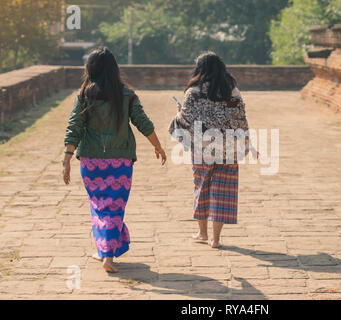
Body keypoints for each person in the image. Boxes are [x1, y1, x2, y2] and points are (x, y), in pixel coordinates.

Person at [63, 47, 166, 273]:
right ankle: (107, 255)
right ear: (114, 69)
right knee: (115, 208)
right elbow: (142, 121)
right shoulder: (126, 94)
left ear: (90, 69)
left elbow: (74, 127)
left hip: (91, 162)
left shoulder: (84, 95)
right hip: (120, 163)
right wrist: (157, 145)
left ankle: (105, 251)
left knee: (99, 206)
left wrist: (67, 157)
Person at [169, 52, 256, 249]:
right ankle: (215, 239)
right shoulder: (232, 90)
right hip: (229, 148)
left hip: (202, 148)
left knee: (202, 186)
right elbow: (241, 119)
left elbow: (185, 120)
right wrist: (247, 142)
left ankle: (202, 233)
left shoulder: (194, 91)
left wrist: (178, 111)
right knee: (223, 191)